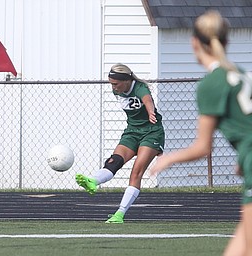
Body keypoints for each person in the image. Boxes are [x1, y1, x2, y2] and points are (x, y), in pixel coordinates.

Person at [149, 10, 252, 256]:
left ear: (194, 42)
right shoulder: (240, 73)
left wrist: (169, 158)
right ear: (226, 42)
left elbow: (203, 148)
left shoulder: (211, 84)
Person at [76, 63, 165, 224]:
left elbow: (147, 99)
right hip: (132, 131)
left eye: (115, 84)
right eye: (111, 83)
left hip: (151, 132)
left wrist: (150, 110)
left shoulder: (139, 88)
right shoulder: (116, 89)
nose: (113, 87)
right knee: (114, 161)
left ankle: (120, 214)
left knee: (136, 172)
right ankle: (93, 181)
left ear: (126, 81)